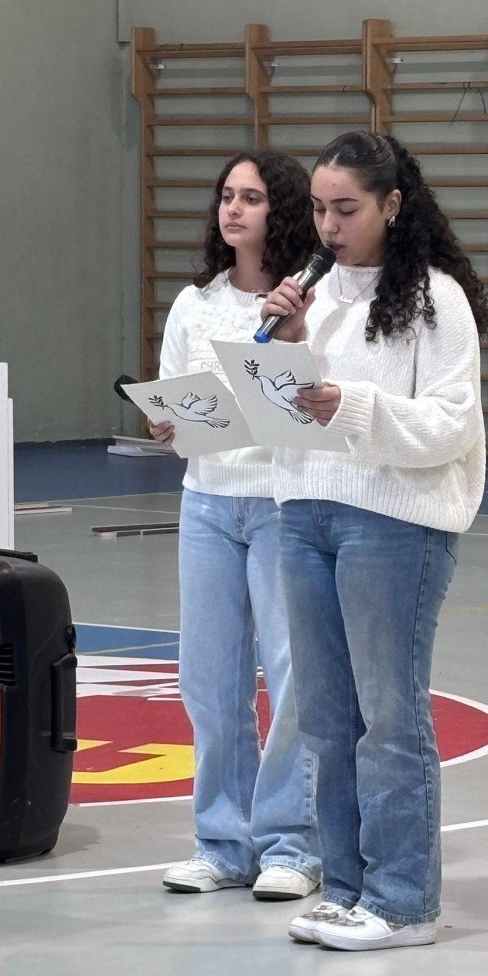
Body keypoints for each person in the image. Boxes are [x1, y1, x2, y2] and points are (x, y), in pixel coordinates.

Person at [259, 130, 488, 949]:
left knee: (389, 716)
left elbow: (450, 425)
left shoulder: (436, 298)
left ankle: (402, 903)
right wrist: (286, 348)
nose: (329, 226)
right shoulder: (310, 295)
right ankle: (348, 889)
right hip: (304, 512)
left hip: (394, 521)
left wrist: (349, 405)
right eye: (319, 209)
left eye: (346, 209)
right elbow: (289, 411)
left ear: (392, 205)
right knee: (325, 717)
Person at [154, 149, 321, 900]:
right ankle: (222, 842)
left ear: (278, 210)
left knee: (290, 675)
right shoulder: (195, 303)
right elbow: (176, 400)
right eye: (226, 195)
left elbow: (313, 400)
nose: (233, 209)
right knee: (209, 678)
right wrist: (165, 423)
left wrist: (290, 335)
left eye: (251, 197)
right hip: (206, 502)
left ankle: (293, 844)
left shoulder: (306, 299)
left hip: (282, 502)